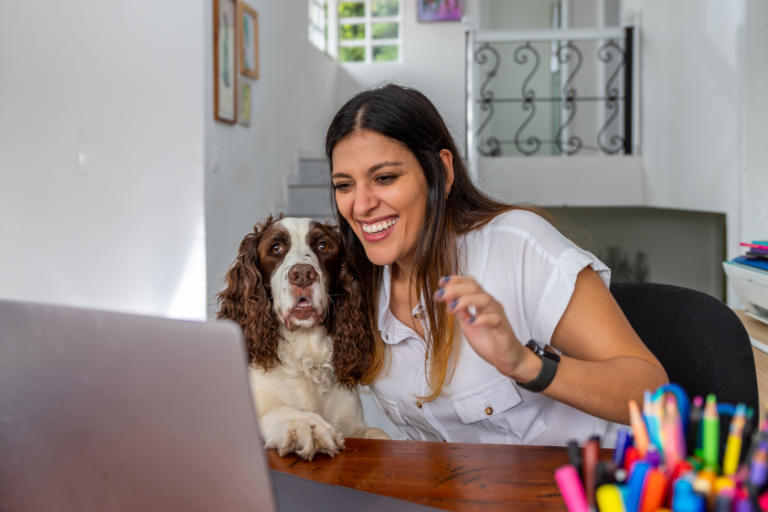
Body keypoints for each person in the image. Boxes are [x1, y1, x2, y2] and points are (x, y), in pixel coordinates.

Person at [325, 84, 668, 447]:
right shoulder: (353, 284)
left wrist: (527, 365)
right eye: (344, 185)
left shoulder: (518, 245)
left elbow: (652, 393)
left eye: (385, 178)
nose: (360, 206)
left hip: (593, 490)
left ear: (441, 171)